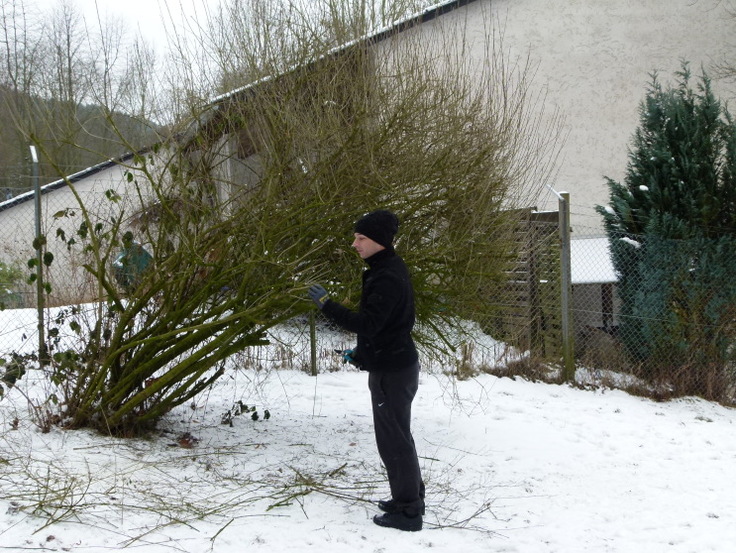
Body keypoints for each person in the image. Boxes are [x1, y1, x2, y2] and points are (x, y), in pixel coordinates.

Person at [308, 209, 425, 532]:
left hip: (393, 370)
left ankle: (408, 511)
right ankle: (410, 496)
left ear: (378, 242)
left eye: (361, 238)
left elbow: (370, 323)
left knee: (393, 439)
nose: (354, 244)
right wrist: (362, 353)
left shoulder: (386, 275)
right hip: (394, 363)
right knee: (398, 434)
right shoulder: (385, 269)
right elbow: (386, 326)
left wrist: (327, 306)